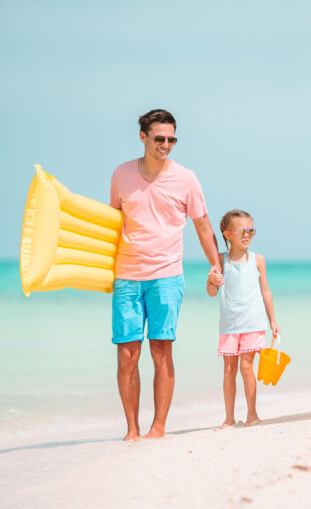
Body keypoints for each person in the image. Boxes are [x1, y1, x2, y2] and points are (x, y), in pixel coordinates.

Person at [109, 109, 222, 440]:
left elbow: (202, 226)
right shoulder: (121, 174)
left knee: (161, 350)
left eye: (172, 139)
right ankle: (132, 429)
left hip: (166, 276)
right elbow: (113, 224)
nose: (166, 145)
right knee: (127, 354)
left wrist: (216, 265)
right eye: (160, 139)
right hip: (126, 275)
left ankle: (158, 427)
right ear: (142, 137)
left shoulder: (187, 179)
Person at [206, 210, 280, 428]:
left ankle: (252, 414)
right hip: (229, 325)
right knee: (229, 370)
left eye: (251, 230)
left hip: (253, 322)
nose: (247, 235)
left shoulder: (258, 260)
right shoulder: (220, 260)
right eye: (242, 231)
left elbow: (266, 291)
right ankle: (229, 418)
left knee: (247, 367)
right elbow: (211, 292)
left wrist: (273, 321)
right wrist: (212, 281)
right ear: (228, 235)